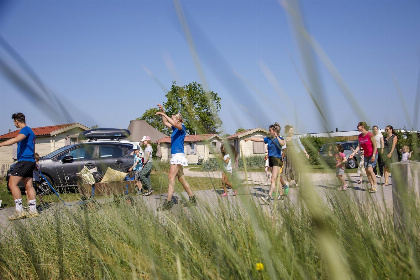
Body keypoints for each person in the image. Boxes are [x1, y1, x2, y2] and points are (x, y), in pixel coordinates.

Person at [155, 104, 196, 210]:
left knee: (171, 178)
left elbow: (172, 123)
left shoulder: (182, 128)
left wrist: (164, 114)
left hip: (178, 155)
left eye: (173, 118)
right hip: (176, 155)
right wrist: (163, 111)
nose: (172, 120)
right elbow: (165, 122)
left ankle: (168, 203)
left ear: (178, 120)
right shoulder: (174, 128)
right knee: (181, 178)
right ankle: (192, 198)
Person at [0, 113, 38, 220]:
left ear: (16, 121)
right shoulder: (32, 132)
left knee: (12, 184)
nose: (15, 124)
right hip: (30, 161)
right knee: (29, 185)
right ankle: (32, 210)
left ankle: (19, 211)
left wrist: (1, 144)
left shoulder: (25, 130)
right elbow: (33, 148)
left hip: (24, 161)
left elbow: (16, 139)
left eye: (14, 122)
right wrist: (34, 161)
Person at [245, 122, 288, 203]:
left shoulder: (280, 139)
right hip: (271, 159)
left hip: (277, 159)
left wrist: (277, 136)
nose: (269, 132)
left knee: (273, 179)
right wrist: (249, 138)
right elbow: (258, 139)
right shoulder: (268, 139)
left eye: (270, 130)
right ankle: (281, 195)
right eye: (269, 130)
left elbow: (283, 144)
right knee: (277, 178)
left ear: (274, 131)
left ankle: (268, 196)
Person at [349, 122, 378, 193]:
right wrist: (353, 153)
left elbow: (375, 146)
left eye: (358, 126)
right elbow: (359, 146)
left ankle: (375, 185)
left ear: (362, 126)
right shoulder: (360, 136)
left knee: (370, 169)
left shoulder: (370, 135)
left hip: (372, 154)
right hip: (366, 155)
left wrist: (373, 155)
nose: (357, 128)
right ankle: (372, 185)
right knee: (366, 170)